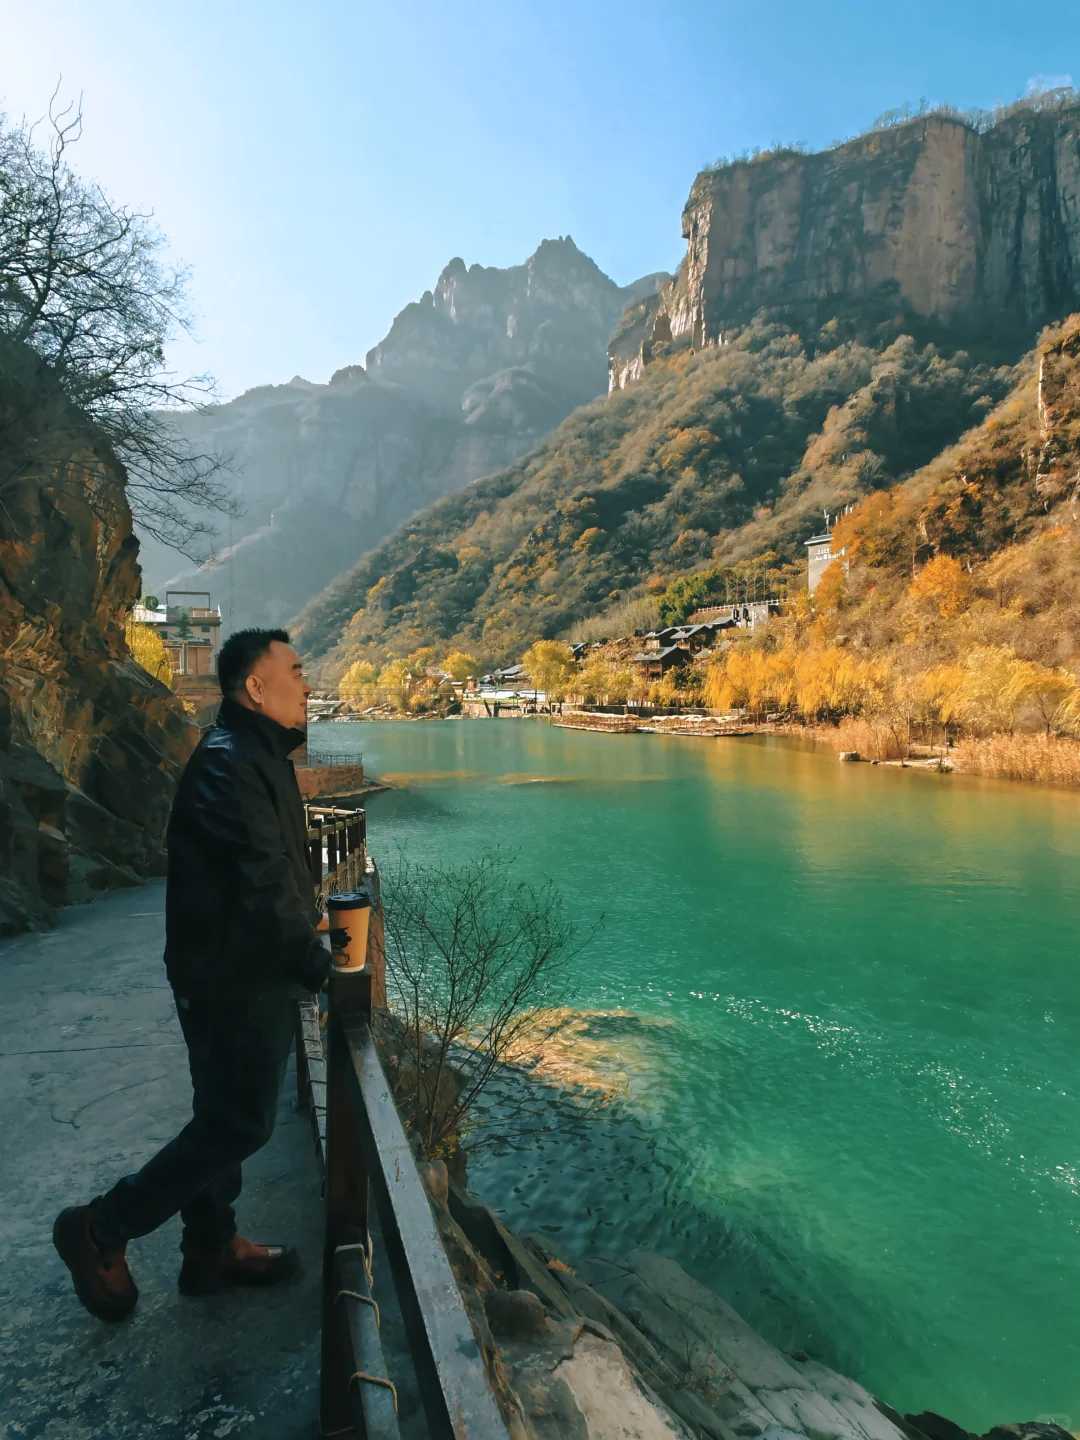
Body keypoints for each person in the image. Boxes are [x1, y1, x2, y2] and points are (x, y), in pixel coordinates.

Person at [53, 628, 332, 1321]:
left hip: (235, 968)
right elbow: (262, 881)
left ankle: (210, 1249)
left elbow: (277, 874)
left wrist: (309, 926)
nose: (306, 683)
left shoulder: (252, 754)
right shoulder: (230, 762)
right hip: (229, 977)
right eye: (294, 671)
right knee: (240, 1124)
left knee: (221, 1114)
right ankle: (101, 1226)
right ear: (255, 687)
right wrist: (318, 962)